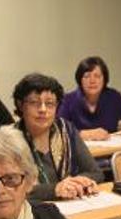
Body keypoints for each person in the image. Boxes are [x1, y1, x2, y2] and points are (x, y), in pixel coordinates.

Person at [12, 72, 104, 200]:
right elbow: (12, 188)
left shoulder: (66, 130)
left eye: (49, 103)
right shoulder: (9, 140)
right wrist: (54, 189)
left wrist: (79, 182)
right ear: (21, 105)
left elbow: (96, 172)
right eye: (34, 103)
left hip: (72, 205)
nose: (43, 109)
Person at [58, 56, 121, 141]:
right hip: (79, 152)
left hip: (109, 151)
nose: (92, 81)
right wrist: (83, 134)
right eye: (87, 76)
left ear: (104, 79)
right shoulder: (68, 100)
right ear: (80, 80)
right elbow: (58, 129)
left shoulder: (113, 97)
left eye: (97, 76)